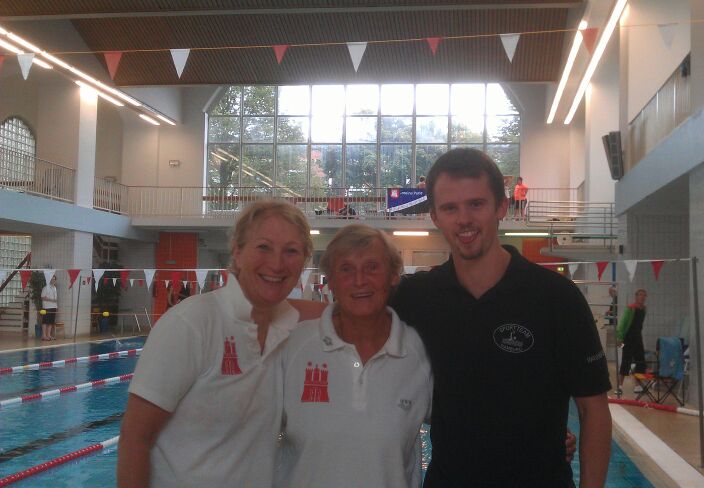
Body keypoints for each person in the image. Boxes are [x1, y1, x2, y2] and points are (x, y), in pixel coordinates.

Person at [391, 148, 612, 487]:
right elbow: (349, 319)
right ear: (434, 216)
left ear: (502, 207)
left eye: (476, 204)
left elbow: (592, 410)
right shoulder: (416, 297)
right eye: (450, 208)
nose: (464, 219)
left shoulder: (556, 298)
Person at [117, 200, 313, 488]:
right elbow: (135, 438)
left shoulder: (287, 328)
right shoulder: (191, 324)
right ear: (237, 252)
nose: (277, 263)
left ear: (304, 261)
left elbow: (338, 314)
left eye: (291, 251)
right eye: (263, 247)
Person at [278, 224, 431, 488]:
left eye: (372, 267)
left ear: (393, 275)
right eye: (346, 269)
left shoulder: (419, 351)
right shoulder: (293, 347)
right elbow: (250, 436)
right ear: (331, 280)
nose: (360, 280)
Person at [616, 289, 648, 395]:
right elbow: (622, 324)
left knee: (641, 362)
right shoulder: (630, 308)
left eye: (644, 295)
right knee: (626, 361)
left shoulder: (644, 309)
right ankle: (619, 386)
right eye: (640, 295)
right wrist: (619, 338)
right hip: (627, 339)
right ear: (636, 296)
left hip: (638, 338)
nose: (642, 297)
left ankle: (638, 385)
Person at [41, 274, 58, 341]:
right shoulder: (46, 288)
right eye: (52, 279)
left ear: (55, 280)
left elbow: (55, 299)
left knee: (51, 322)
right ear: (49, 280)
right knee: (45, 321)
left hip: (53, 307)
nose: (53, 280)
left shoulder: (55, 288)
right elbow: (42, 297)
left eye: (54, 279)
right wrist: (51, 300)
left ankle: (48, 335)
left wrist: (56, 306)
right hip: (47, 307)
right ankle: (44, 336)